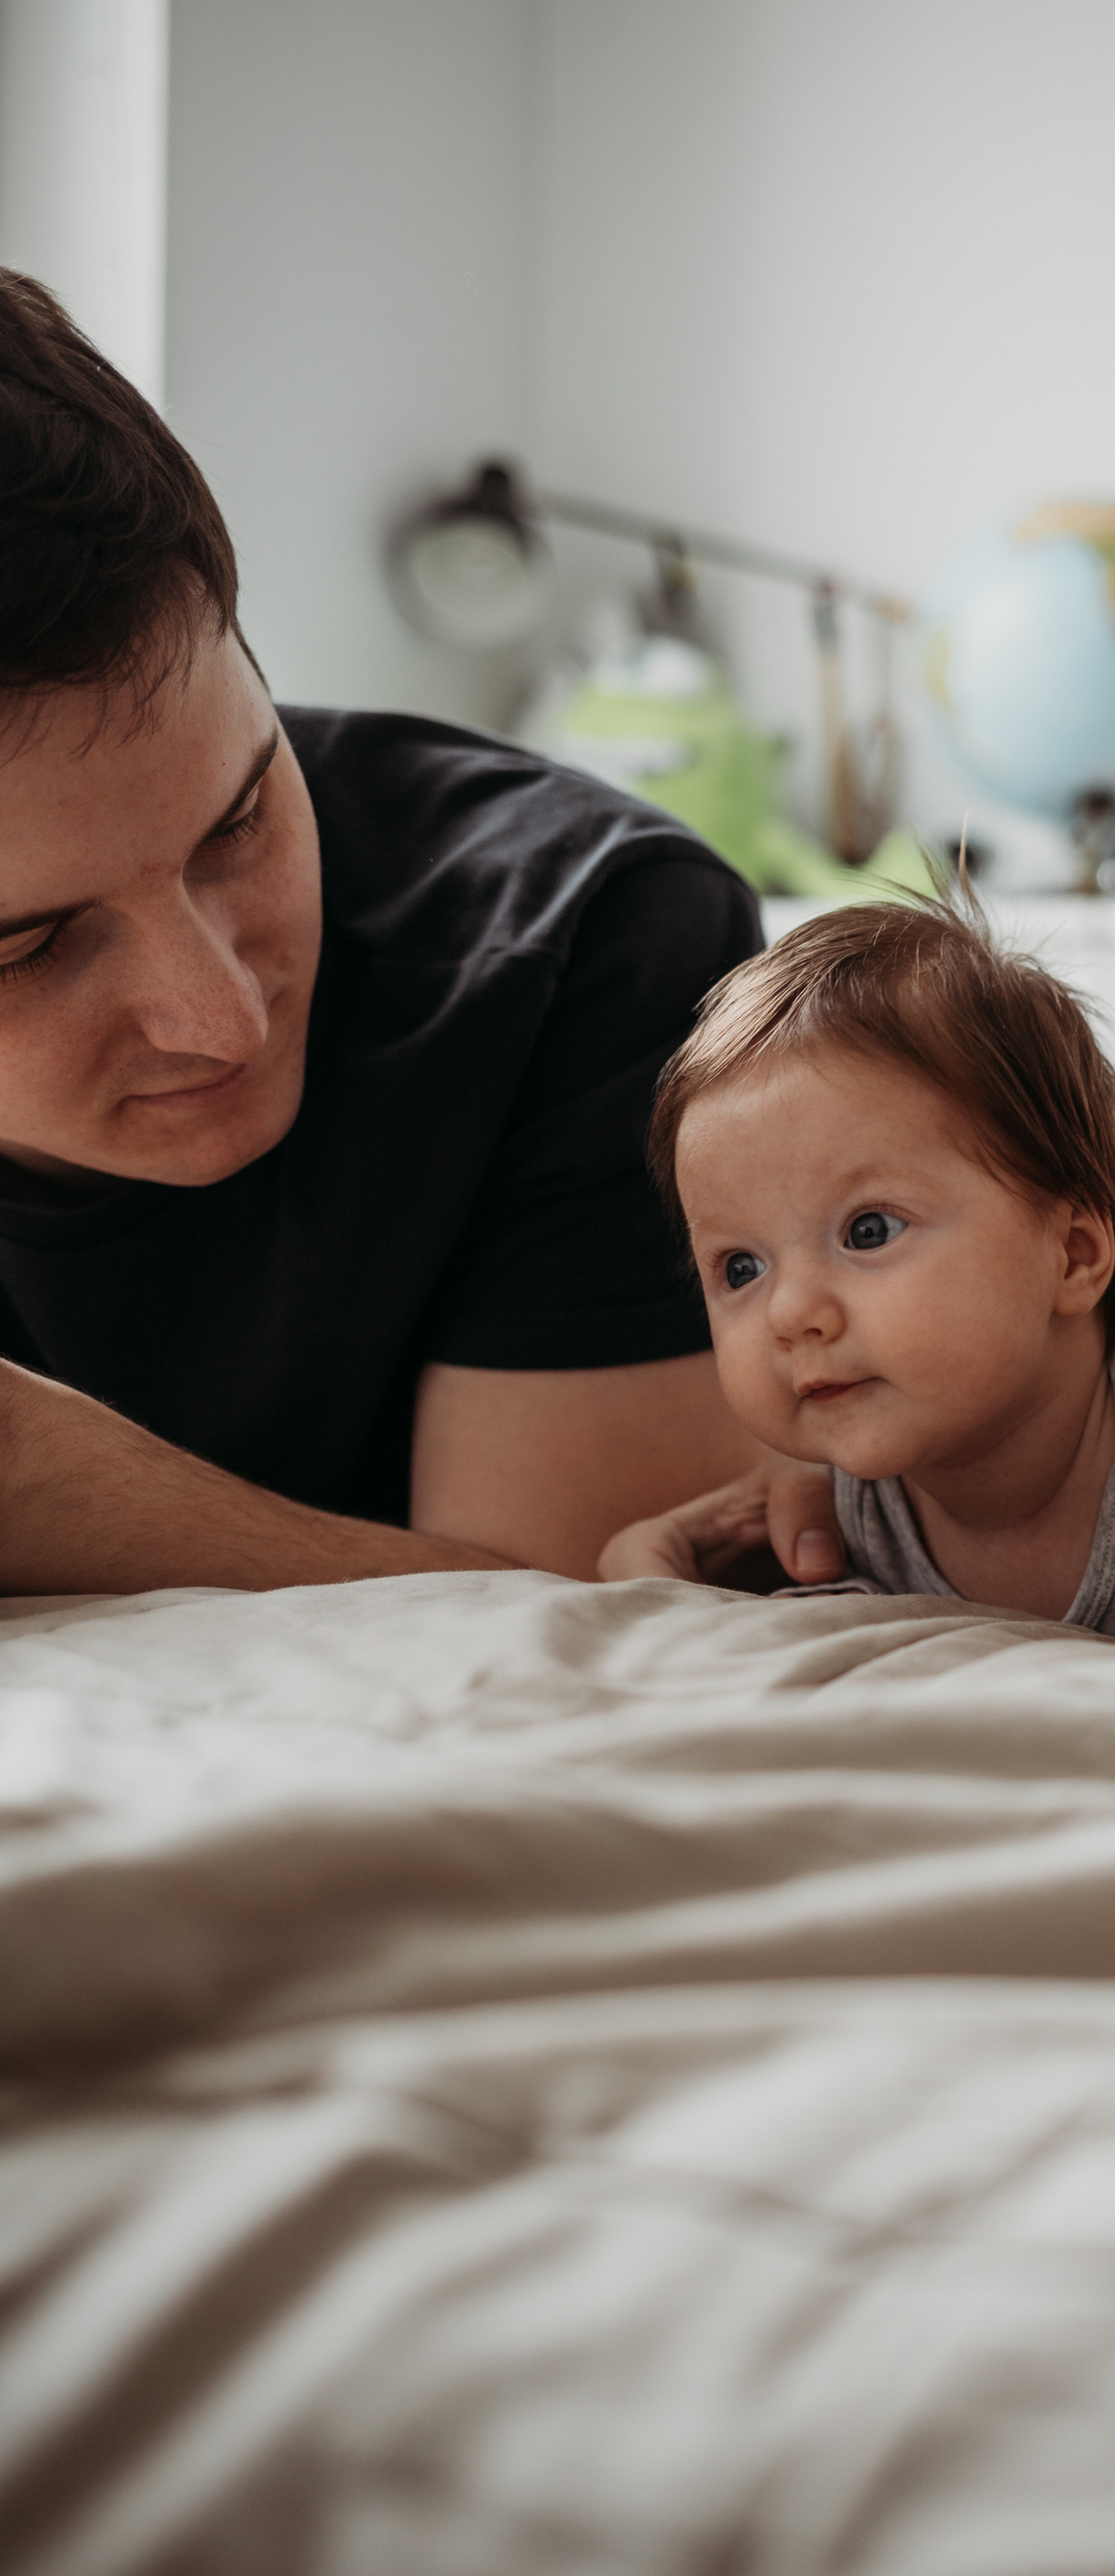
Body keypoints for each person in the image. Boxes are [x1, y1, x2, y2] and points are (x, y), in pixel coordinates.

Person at [0, 269, 845, 1591]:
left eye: (239, 820)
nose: (224, 1014)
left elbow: (603, 1628)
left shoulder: (594, 940)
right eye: (28, 946)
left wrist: (61, 1490)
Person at [600, 902, 1115, 1627]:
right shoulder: (843, 1498)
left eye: (868, 1230)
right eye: (740, 1268)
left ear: (1072, 1255)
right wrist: (671, 1600)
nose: (789, 1312)